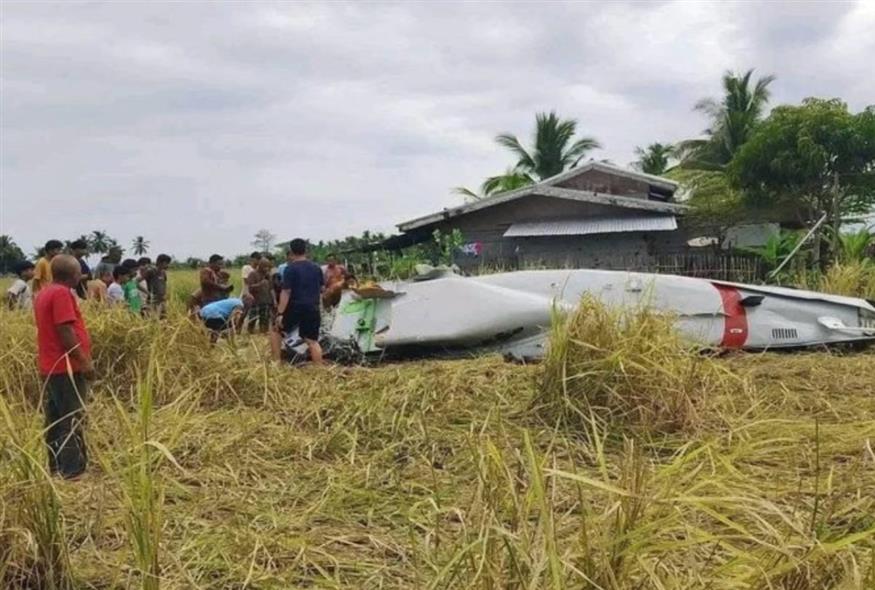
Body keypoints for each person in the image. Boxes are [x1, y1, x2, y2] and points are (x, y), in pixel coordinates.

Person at [33, 254, 93, 479]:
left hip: (51, 366)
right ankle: (72, 470)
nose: (81, 275)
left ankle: (56, 466)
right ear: (73, 274)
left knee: (55, 418)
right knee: (72, 417)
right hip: (65, 367)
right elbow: (65, 331)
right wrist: (84, 362)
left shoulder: (45, 292)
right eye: (79, 271)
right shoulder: (61, 294)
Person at [273, 238, 324, 364]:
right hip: (313, 307)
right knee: (312, 341)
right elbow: (322, 289)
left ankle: (275, 362)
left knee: (276, 329)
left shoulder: (290, 269)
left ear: (291, 251)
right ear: (305, 250)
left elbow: (286, 292)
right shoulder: (317, 268)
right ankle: (320, 371)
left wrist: (280, 313)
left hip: (295, 307)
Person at [245, 258, 276, 333]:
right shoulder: (253, 274)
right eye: (265, 266)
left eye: (268, 267)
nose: (266, 268)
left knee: (265, 320)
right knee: (252, 319)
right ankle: (250, 334)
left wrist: (274, 300)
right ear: (260, 266)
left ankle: (263, 334)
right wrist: (260, 284)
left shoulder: (268, 275)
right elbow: (250, 287)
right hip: (255, 301)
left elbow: (271, 289)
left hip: (266, 301)